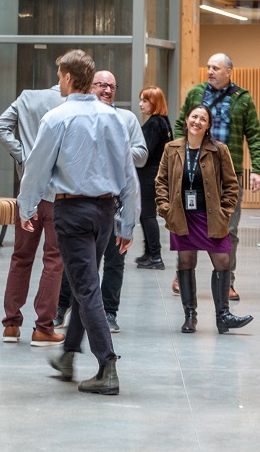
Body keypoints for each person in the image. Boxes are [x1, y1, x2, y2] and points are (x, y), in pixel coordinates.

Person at [17, 49, 140, 395]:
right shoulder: (113, 118)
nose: (58, 82)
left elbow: (36, 169)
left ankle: (107, 366)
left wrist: (26, 208)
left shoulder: (57, 118)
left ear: (69, 78)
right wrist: (128, 223)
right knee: (82, 281)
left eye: (60, 76)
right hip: (105, 213)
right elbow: (128, 175)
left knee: (85, 287)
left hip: (72, 213)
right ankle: (69, 355)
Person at [55, 70, 147, 333]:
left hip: (115, 202)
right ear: (89, 87)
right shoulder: (75, 116)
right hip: (80, 201)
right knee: (76, 260)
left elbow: (141, 154)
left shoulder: (126, 119)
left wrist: (116, 149)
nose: (107, 90)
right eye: (101, 85)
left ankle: (109, 312)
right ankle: (62, 307)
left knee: (115, 260)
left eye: (112, 87)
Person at [156, 105, 252, 334]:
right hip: (182, 217)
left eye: (203, 119)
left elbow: (232, 185)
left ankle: (223, 316)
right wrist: (166, 209)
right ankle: (190, 316)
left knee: (223, 261)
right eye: (194, 117)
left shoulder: (219, 150)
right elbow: (161, 182)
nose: (197, 122)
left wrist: (225, 211)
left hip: (210, 217)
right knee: (186, 263)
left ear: (208, 125)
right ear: (187, 119)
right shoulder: (172, 148)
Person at [174, 53, 260, 300]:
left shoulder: (243, 98)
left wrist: (257, 169)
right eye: (208, 67)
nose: (210, 71)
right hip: (194, 173)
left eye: (216, 68)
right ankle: (182, 275)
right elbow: (180, 124)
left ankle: (227, 282)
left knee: (228, 229)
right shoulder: (196, 93)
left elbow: (254, 135)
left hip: (226, 176)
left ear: (229, 72)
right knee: (187, 226)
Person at [0, 82, 64, 346]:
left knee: (21, 258)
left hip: (28, 193)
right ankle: (43, 328)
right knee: (54, 261)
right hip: (58, 195)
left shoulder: (27, 98)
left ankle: (11, 324)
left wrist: (23, 156)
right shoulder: (71, 104)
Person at [134, 86, 172, 270]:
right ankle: (149, 253)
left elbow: (144, 153)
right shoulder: (163, 121)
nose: (140, 104)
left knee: (148, 214)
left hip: (149, 174)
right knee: (146, 214)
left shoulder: (155, 123)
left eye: (145, 101)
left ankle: (155, 257)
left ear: (154, 103)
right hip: (155, 173)